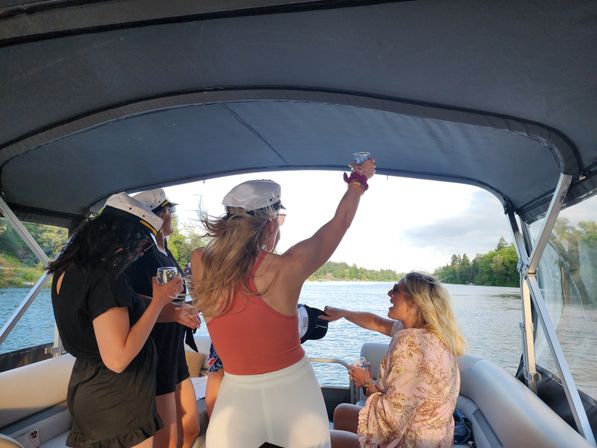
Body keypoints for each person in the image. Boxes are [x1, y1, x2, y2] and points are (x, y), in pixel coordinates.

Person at [191, 157, 375, 448]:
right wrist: (358, 181)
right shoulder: (288, 267)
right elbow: (341, 222)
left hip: (237, 395)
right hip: (295, 392)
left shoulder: (200, 261)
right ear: (268, 223)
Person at [49, 192, 183, 448]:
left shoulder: (68, 269)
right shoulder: (106, 278)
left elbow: (109, 310)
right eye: (142, 243)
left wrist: (162, 302)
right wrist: (157, 302)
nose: (141, 252)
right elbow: (118, 359)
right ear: (124, 237)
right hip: (117, 400)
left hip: (86, 387)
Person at [321, 272, 466, 448]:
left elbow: (391, 419)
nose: (389, 293)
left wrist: (365, 383)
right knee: (342, 412)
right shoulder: (432, 333)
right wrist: (343, 313)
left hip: (409, 441)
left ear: (414, 301)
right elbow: (377, 322)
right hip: (434, 439)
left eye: (396, 289)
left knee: (327, 440)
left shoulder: (410, 344)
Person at [126, 188, 201, 448]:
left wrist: (190, 307)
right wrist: (176, 313)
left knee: (191, 428)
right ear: (157, 216)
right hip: (155, 352)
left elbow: (172, 299)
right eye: (169, 210)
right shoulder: (141, 254)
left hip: (174, 350)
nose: (172, 216)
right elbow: (134, 303)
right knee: (168, 440)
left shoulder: (164, 250)